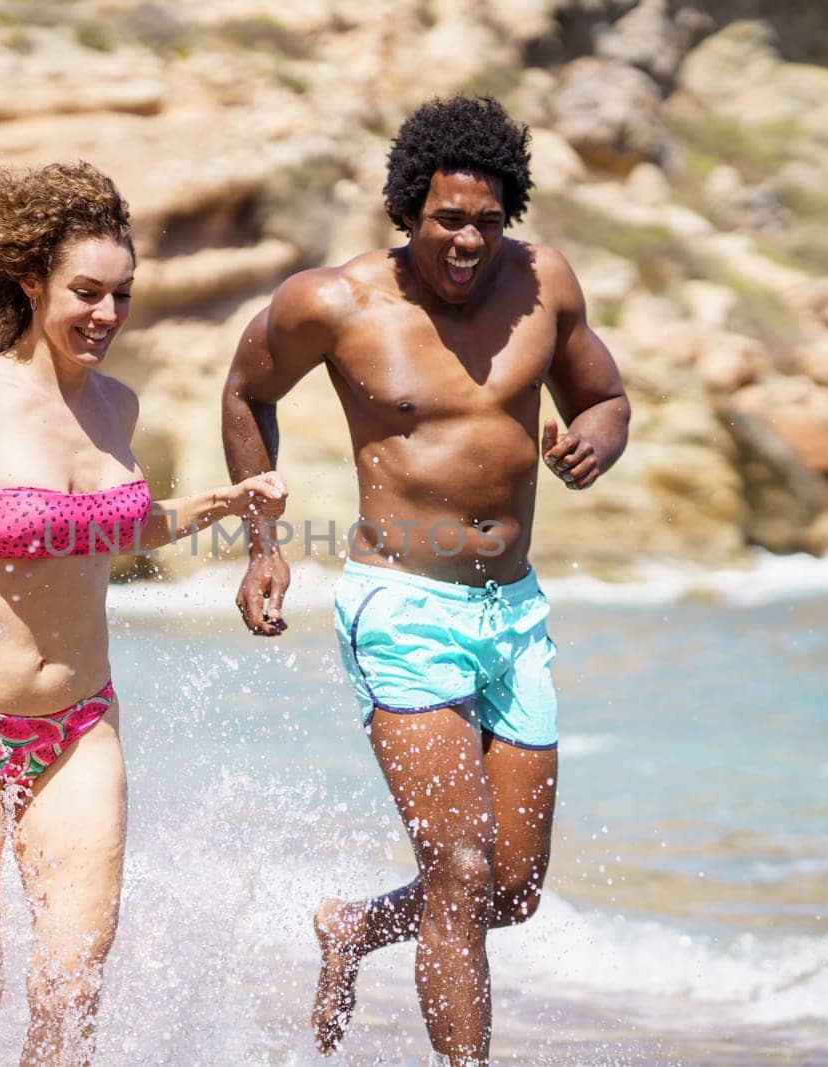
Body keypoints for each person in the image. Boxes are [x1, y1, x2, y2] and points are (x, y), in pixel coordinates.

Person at [221, 96, 630, 1065]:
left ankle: (353, 925)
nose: (468, 240)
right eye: (448, 218)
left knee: (512, 888)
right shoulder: (336, 301)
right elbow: (247, 393)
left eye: (488, 221)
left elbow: (605, 396)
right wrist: (262, 542)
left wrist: (594, 444)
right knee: (457, 864)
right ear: (410, 209)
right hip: (401, 604)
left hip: (514, 613)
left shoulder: (544, 286)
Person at [0, 161, 285, 1065]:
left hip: (83, 727)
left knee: (72, 988)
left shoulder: (117, 406)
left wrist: (222, 503)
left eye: (122, 295)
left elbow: (111, 533)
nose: (107, 314)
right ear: (32, 285)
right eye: (86, 292)